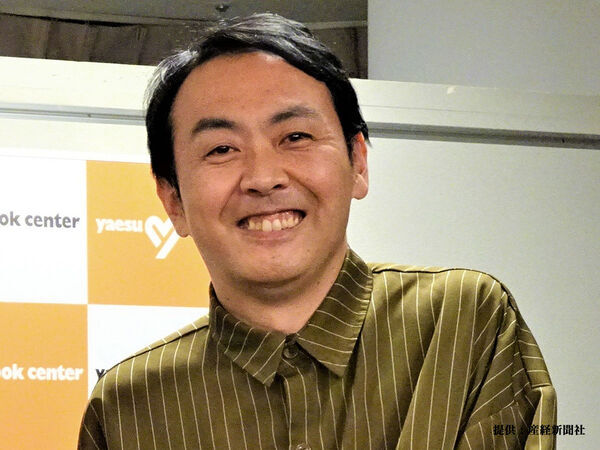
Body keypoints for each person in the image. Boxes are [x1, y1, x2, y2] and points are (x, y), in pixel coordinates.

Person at [78, 13, 556, 449]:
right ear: (172, 200)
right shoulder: (127, 405)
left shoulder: (465, 320)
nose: (263, 177)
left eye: (296, 137)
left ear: (358, 163)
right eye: (221, 149)